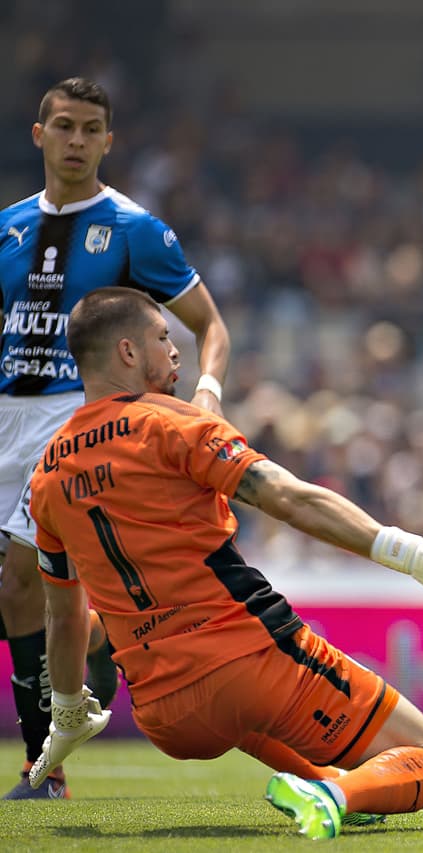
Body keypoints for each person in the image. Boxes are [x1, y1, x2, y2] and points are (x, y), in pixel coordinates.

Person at [26, 286, 423, 839]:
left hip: (164, 714)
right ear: (128, 352)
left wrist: (66, 711)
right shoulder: (173, 424)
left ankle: (323, 782)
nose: (175, 350)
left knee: (166, 662)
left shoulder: (46, 475)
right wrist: (410, 552)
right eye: (162, 337)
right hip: (247, 663)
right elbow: (287, 498)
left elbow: (62, 616)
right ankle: (331, 796)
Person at [0, 76, 233, 799]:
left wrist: (207, 390)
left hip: (71, 424)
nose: (75, 140)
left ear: (108, 141)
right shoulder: (7, 229)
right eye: (63, 126)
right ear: (39, 135)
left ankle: (44, 768)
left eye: (89, 129)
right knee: (20, 600)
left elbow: (210, 325)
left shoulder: (134, 229)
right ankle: (96, 635)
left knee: (20, 581)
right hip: (6, 419)